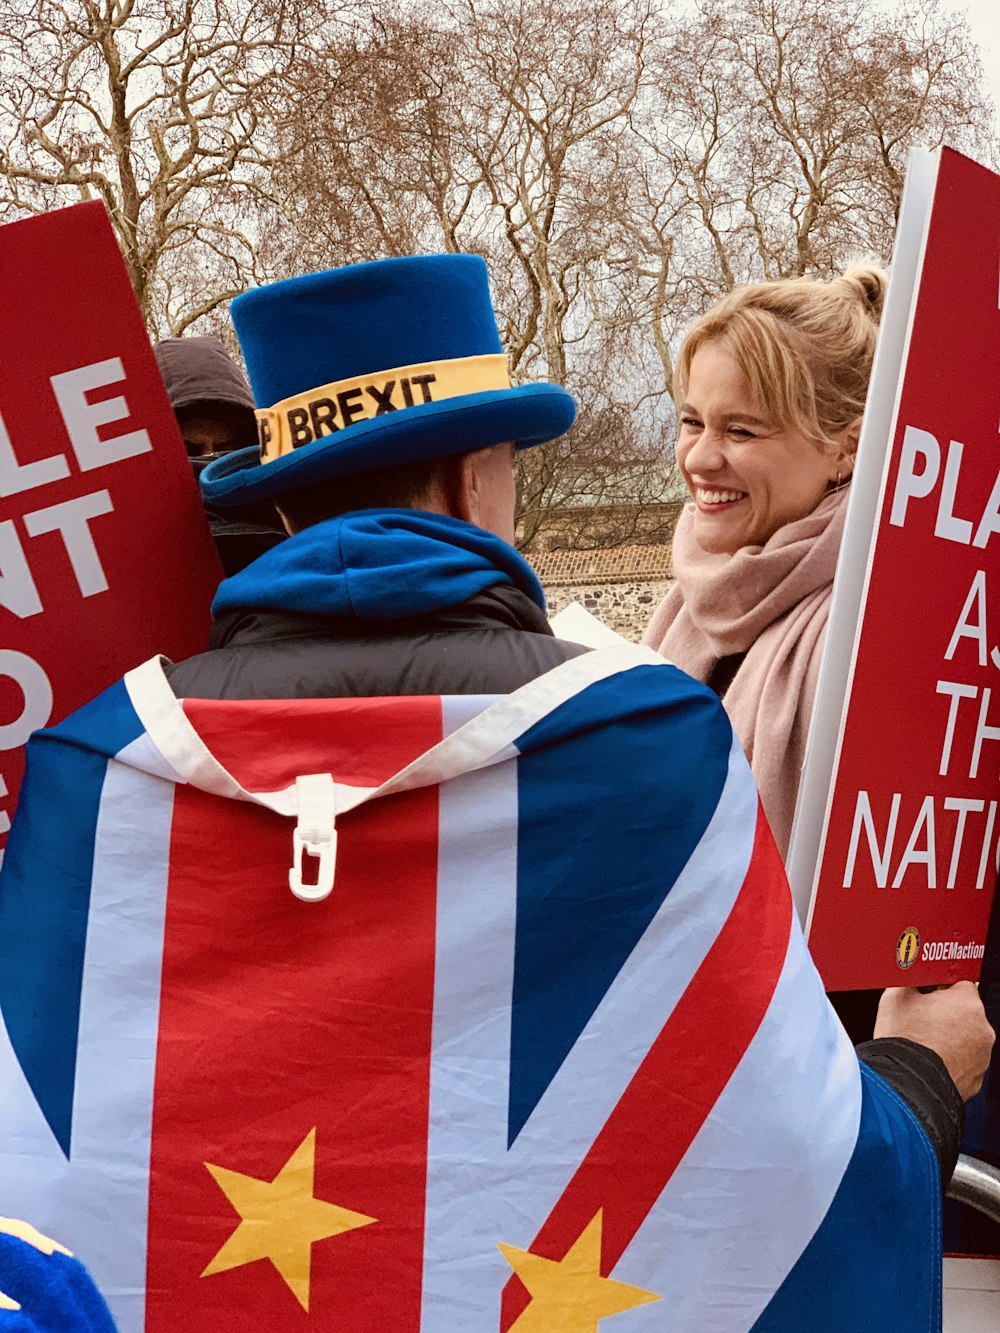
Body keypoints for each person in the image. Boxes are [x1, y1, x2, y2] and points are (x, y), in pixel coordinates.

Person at [0, 255, 992, 1329]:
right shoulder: (645, 740)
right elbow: (791, 1175)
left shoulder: (85, 768)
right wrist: (922, 1072)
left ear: (280, 503)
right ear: (479, 476)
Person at [644, 265, 882, 859]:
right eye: (692, 421)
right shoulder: (692, 605)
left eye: (741, 431)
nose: (699, 458)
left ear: (846, 449)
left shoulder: (874, 626)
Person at [153, 335, 287, 576]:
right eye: (189, 451)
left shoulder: (296, 518)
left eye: (230, 448)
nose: (212, 460)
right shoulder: (136, 547)